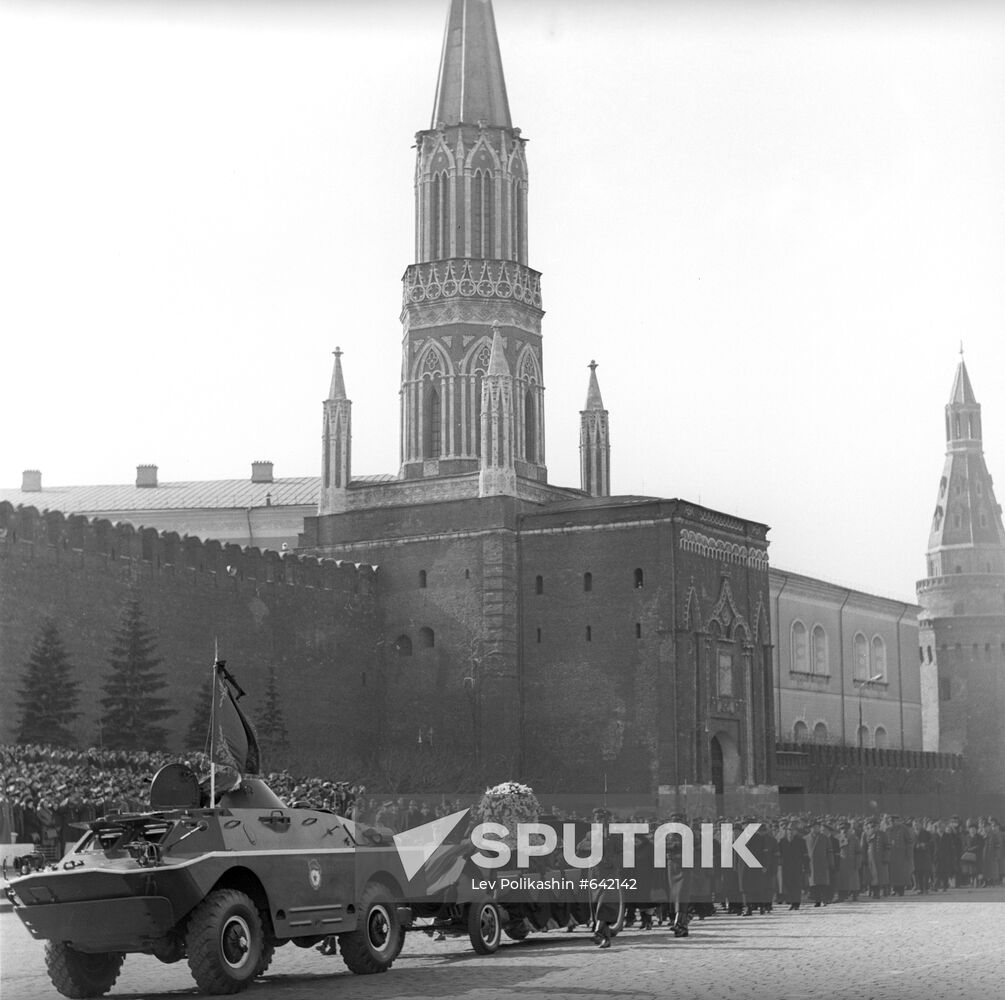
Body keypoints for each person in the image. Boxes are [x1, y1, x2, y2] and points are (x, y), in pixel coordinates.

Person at [777, 820, 808, 910]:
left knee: (797, 885)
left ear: (796, 831)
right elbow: (779, 854)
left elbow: (805, 855)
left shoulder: (801, 841)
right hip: (786, 867)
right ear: (786, 831)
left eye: (793, 830)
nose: (790, 831)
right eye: (789, 829)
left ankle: (796, 904)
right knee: (788, 884)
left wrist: (806, 866)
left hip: (797, 866)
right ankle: (792, 901)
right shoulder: (782, 841)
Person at [804, 818, 833, 907]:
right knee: (814, 885)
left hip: (823, 863)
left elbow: (830, 852)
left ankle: (824, 899)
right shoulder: (806, 838)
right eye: (814, 827)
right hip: (811, 864)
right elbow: (804, 853)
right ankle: (817, 900)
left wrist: (831, 863)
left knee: (823, 884)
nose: (816, 829)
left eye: (817, 827)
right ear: (810, 828)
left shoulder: (824, 838)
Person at [863, 818, 890, 899]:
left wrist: (886, 857)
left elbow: (887, 847)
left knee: (880, 877)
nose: (873, 827)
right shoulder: (865, 834)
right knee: (871, 877)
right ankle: (872, 891)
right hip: (870, 859)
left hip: (880, 858)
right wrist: (864, 859)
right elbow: (863, 847)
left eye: (875, 826)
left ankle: (879, 892)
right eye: (871, 825)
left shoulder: (883, 834)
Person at [886, 815, 911, 897]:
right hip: (891, 855)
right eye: (891, 821)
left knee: (901, 873)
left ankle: (901, 890)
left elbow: (909, 841)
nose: (893, 823)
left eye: (894, 821)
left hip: (901, 854)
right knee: (892, 873)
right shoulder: (888, 830)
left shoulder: (903, 829)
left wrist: (908, 853)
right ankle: (894, 889)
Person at [912, 819, 933, 894]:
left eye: (917, 824)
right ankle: (920, 888)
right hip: (916, 855)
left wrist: (925, 845)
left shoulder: (926, 833)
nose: (916, 826)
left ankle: (926, 888)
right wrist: (915, 846)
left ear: (921, 825)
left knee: (926, 872)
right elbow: (909, 843)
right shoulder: (911, 834)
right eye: (914, 824)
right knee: (918, 872)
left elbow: (931, 842)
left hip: (925, 855)